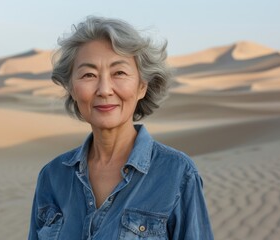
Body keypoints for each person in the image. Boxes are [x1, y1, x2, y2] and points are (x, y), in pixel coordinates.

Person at [28, 16, 214, 240]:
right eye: (89, 75)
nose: (105, 89)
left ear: (142, 86)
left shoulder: (178, 174)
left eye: (119, 73)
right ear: (72, 89)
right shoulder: (52, 176)